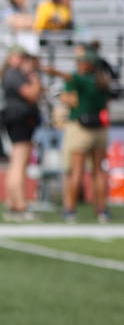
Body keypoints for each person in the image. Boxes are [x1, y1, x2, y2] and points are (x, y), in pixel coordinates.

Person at [50, 46, 113, 222]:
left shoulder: (84, 80)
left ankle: (70, 209)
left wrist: (52, 71)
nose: (79, 64)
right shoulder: (102, 81)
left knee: (76, 170)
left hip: (82, 128)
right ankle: (102, 210)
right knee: (99, 172)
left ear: (89, 64)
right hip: (100, 130)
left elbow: (72, 88)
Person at [0, 47, 43, 221]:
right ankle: (20, 205)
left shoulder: (11, 74)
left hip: (19, 120)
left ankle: (13, 203)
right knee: (19, 162)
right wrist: (34, 77)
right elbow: (32, 94)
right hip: (20, 120)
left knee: (18, 162)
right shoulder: (14, 75)